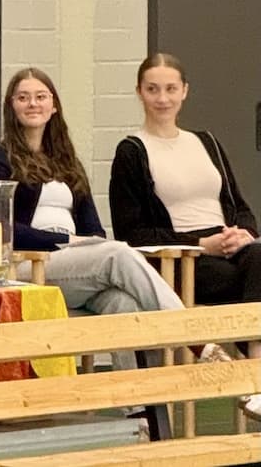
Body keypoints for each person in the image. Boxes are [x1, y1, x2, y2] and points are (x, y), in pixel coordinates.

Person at [0, 67, 200, 371]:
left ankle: (141, 398)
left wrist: (83, 243)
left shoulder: (67, 160)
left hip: (74, 266)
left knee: (124, 305)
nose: (33, 104)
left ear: (54, 106)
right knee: (117, 253)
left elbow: (93, 228)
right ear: (11, 106)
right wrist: (66, 241)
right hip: (26, 265)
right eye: (23, 98)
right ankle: (192, 335)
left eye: (41, 97)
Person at [109, 51, 261, 419]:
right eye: (153, 89)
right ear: (139, 92)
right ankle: (254, 378)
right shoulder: (131, 151)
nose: (163, 98)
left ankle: (256, 367)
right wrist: (200, 245)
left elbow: (240, 206)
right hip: (180, 255)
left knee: (260, 256)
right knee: (235, 279)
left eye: (170, 89)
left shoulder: (206, 142)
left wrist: (244, 233)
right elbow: (131, 233)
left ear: (185, 91)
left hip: (229, 244)